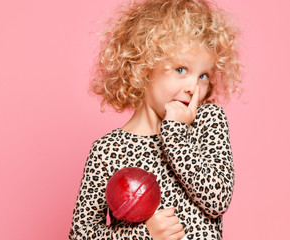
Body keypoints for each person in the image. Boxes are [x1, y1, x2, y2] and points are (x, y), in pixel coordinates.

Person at [69, 0, 242, 239]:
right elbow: (81, 234)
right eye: (181, 69)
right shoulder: (107, 150)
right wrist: (144, 234)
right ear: (144, 67)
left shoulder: (208, 121)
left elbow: (217, 199)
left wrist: (175, 132)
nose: (194, 87)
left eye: (203, 75)